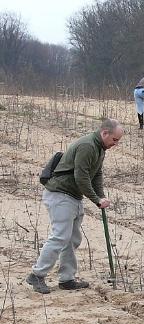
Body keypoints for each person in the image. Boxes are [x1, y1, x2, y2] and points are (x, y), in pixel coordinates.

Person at [26, 119, 124, 294]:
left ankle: (67, 279)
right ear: (104, 133)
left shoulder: (100, 148)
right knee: (59, 237)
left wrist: (100, 195)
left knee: (72, 239)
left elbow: (96, 174)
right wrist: (96, 199)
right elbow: (81, 177)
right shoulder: (88, 146)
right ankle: (37, 275)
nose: (115, 144)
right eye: (114, 140)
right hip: (61, 194)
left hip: (73, 196)